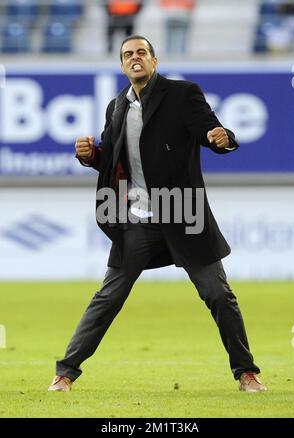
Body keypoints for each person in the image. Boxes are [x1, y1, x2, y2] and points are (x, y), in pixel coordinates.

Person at [48, 35, 267, 393]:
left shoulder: (183, 95)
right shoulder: (116, 106)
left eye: (141, 53)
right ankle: (65, 373)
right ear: (121, 66)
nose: (135, 58)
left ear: (154, 60)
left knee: (218, 294)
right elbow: (113, 162)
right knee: (108, 297)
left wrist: (222, 138)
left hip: (183, 216)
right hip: (137, 221)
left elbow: (212, 132)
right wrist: (90, 156)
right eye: (127, 55)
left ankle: (247, 373)